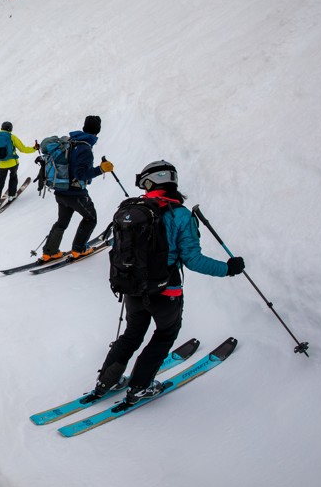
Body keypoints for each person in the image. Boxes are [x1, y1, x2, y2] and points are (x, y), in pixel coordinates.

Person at [91, 160, 245, 405]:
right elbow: (193, 260)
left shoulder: (130, 210)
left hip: (132, 287)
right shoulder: (180, 214)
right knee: (164, 334)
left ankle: (105, 381)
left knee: (131, 335)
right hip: (165, 290)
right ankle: (139, 387)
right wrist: (227, 269)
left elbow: (116, 247)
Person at [40, 115, 113, 261]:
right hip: (75, 193)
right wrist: (101, 169)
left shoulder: (72, 142)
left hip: (61, 191)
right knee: (90, 218)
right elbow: (80, 174)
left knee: (62, 222)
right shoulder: (84, 148)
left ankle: (50, 252)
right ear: (97, 131)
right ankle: (79, 249)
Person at [0, 121, 38, 207]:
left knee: (0, 182)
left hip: (1, 165)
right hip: (13, 163)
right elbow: (23, 149)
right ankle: (11, 196)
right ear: (10, 129)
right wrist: (34, 148)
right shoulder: (12, 137)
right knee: (13, 178)